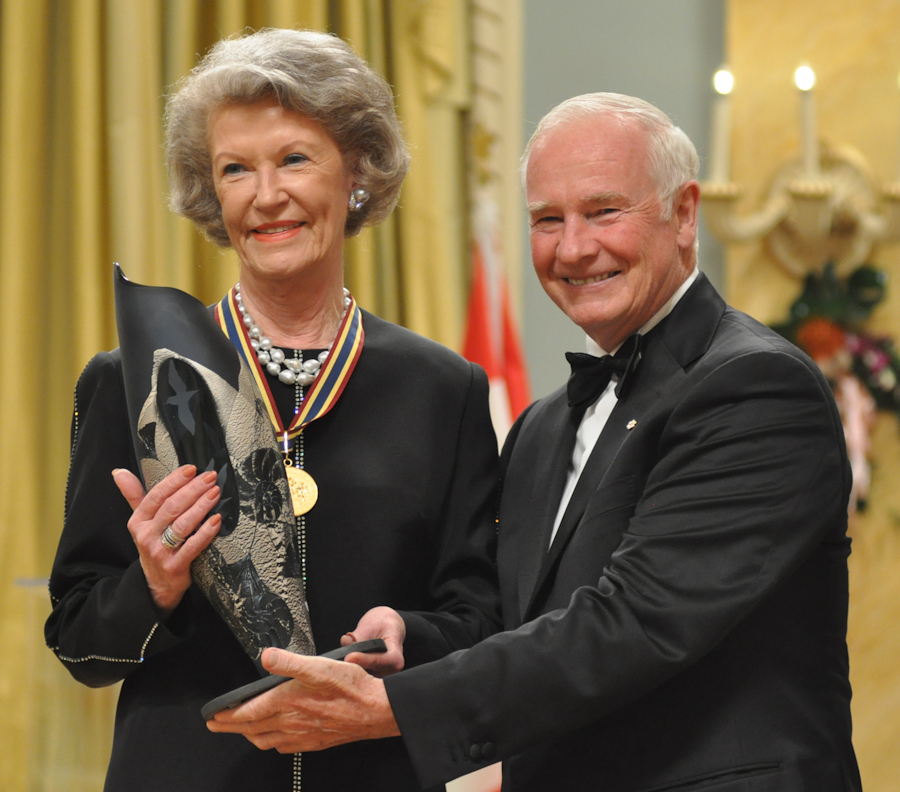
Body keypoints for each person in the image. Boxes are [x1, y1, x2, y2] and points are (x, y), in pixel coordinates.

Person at [208, 93, 863, 792]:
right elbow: (516, 620)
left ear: (684, 213)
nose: (575, 247)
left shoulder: (756, 386)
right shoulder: (541, 428)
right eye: (548, 220)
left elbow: (636, 622)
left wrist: (393, 708)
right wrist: (410, 641)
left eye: (604, 211)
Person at [45, 28, 501, 792]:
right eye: (235, 170)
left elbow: (482, 615)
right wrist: (152, 586)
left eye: (294, 158)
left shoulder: (442, 390)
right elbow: (79, 641)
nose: (266, 196)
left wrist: (409, 636)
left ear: (356, 172)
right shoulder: (132, 382)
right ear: (211, 196)